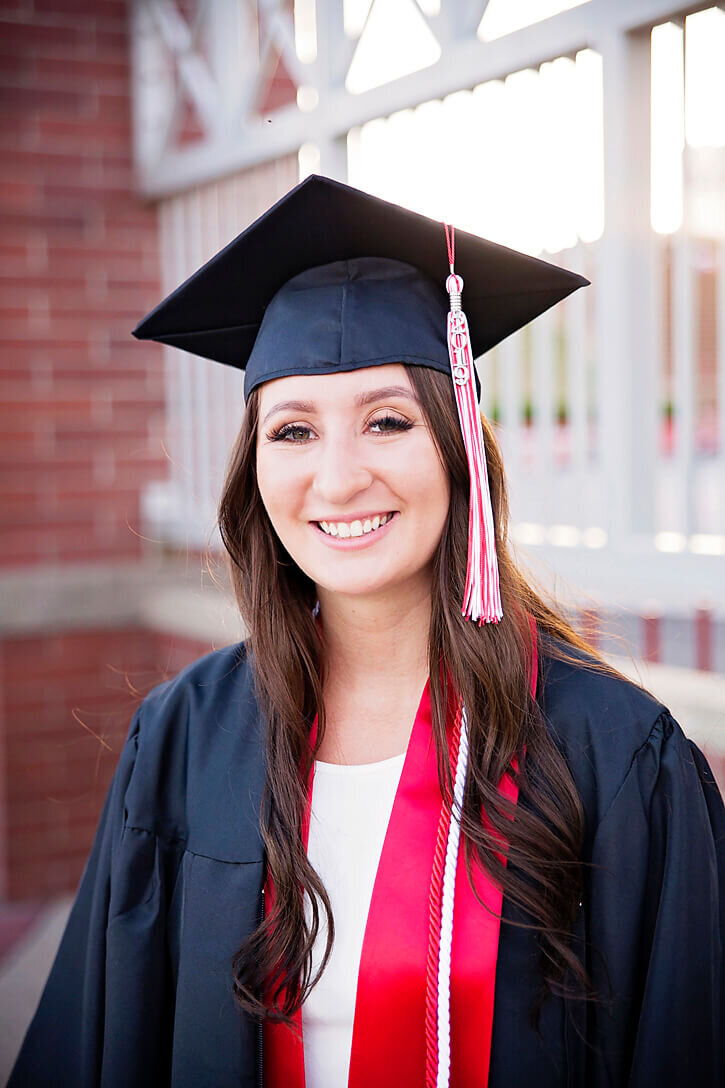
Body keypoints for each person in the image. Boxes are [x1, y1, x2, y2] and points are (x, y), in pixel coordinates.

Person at [9, 175, 724, 1088]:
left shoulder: (611, 755)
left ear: (457, 444)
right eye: (294, 430)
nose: (337, 479)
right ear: (254, 469)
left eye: (386, 421)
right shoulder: (185, 737)